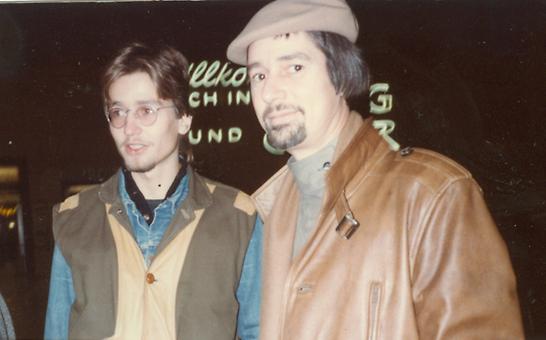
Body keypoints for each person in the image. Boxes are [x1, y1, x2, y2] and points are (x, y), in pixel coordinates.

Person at [227, 0, 524, 339]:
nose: (270, 90)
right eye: (259, 75)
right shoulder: (273, 210)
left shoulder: (429, 194)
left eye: (294, 67)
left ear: (340, 74)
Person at [45, 42, 261, 340]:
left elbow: (258, 330)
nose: (129, 128)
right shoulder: (75, 218)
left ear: (184, 119)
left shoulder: (239, 217)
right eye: (118, 112)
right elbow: (56, 332)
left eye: (146, 110)